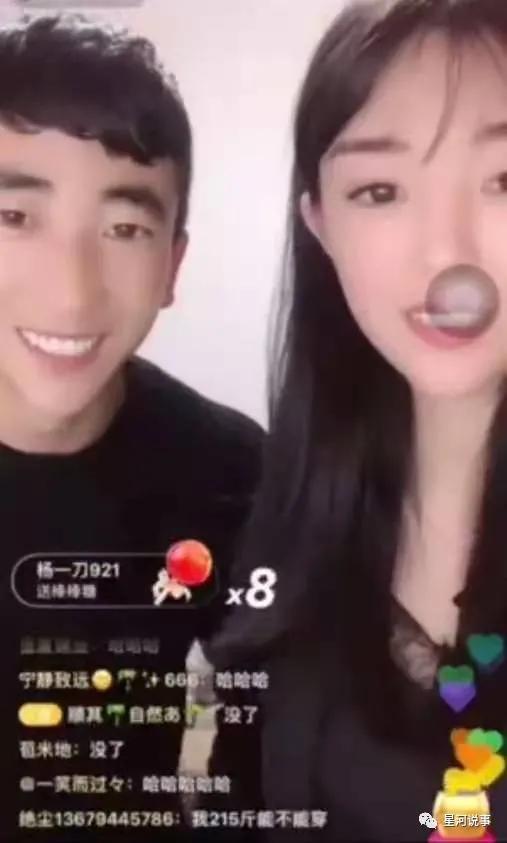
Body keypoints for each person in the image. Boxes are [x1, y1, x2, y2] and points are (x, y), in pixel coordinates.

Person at [208, 1, 507, 840]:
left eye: (502, 180)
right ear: (320, 223)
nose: (444, 253)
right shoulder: (279, 510)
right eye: (379, 191)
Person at [0, 14, 262, 843]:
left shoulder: (231, 469)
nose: (72, 292)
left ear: (172, 265)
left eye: (124, 229)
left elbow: (264, 738)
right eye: (15, 217)